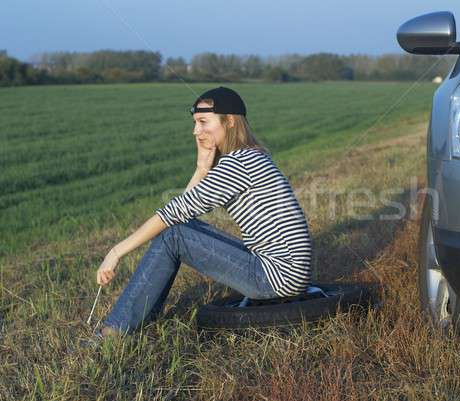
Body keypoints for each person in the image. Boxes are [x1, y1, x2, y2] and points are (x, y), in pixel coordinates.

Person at [93, 86, 313, 338]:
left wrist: (116, 252)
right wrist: (201, 169)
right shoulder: (252, 156)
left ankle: (115, 331)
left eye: (203, 122)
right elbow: (184, 214)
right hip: (282, 270)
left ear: (229, 121)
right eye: (195, 123)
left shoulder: (238, 163)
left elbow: (174, 213)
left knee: (173, 235)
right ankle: (139, 318)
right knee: (178, 231)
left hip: (276, 278)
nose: (195, 131)